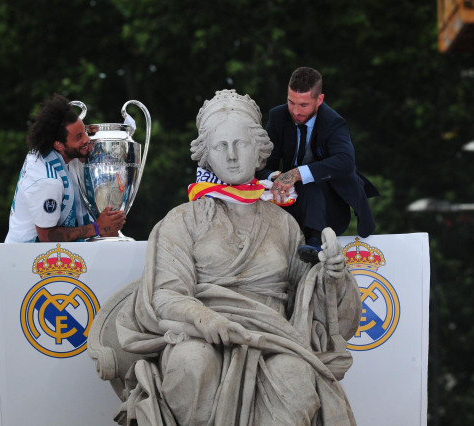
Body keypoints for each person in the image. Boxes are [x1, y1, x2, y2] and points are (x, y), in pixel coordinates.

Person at [111, 90, 361, 425]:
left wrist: (332, 276)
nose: (230, 156)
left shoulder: (283, 223)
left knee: (296, 374)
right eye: (220, 146)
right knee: (191, 363)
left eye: (240, 144)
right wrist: (207, 320)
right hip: (202, 333)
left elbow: (307, 303)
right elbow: (166, 294)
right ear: (206, 155)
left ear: (259, 149)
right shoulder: (182, 220)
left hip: (273, 337)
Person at [256, 67, 379, 263]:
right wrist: (276, 177)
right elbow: (262, 166)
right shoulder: (278, 117)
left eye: (304, 105)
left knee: (312, 178)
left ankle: (315, 241)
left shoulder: (333, 122)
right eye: (291, 102)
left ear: (319, 100)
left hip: (329, 210)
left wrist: (296, 173)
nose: (296, 111)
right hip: (287, 202)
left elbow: (346, 162)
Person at [5, 94, 125, 243]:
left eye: (85, 132)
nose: (87, 140)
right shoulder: (47, 182)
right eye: (79, 137)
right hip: (25, 259)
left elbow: (82, 153)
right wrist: (97, 228)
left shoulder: (48, 151)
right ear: (59, 145)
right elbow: (47, 237)